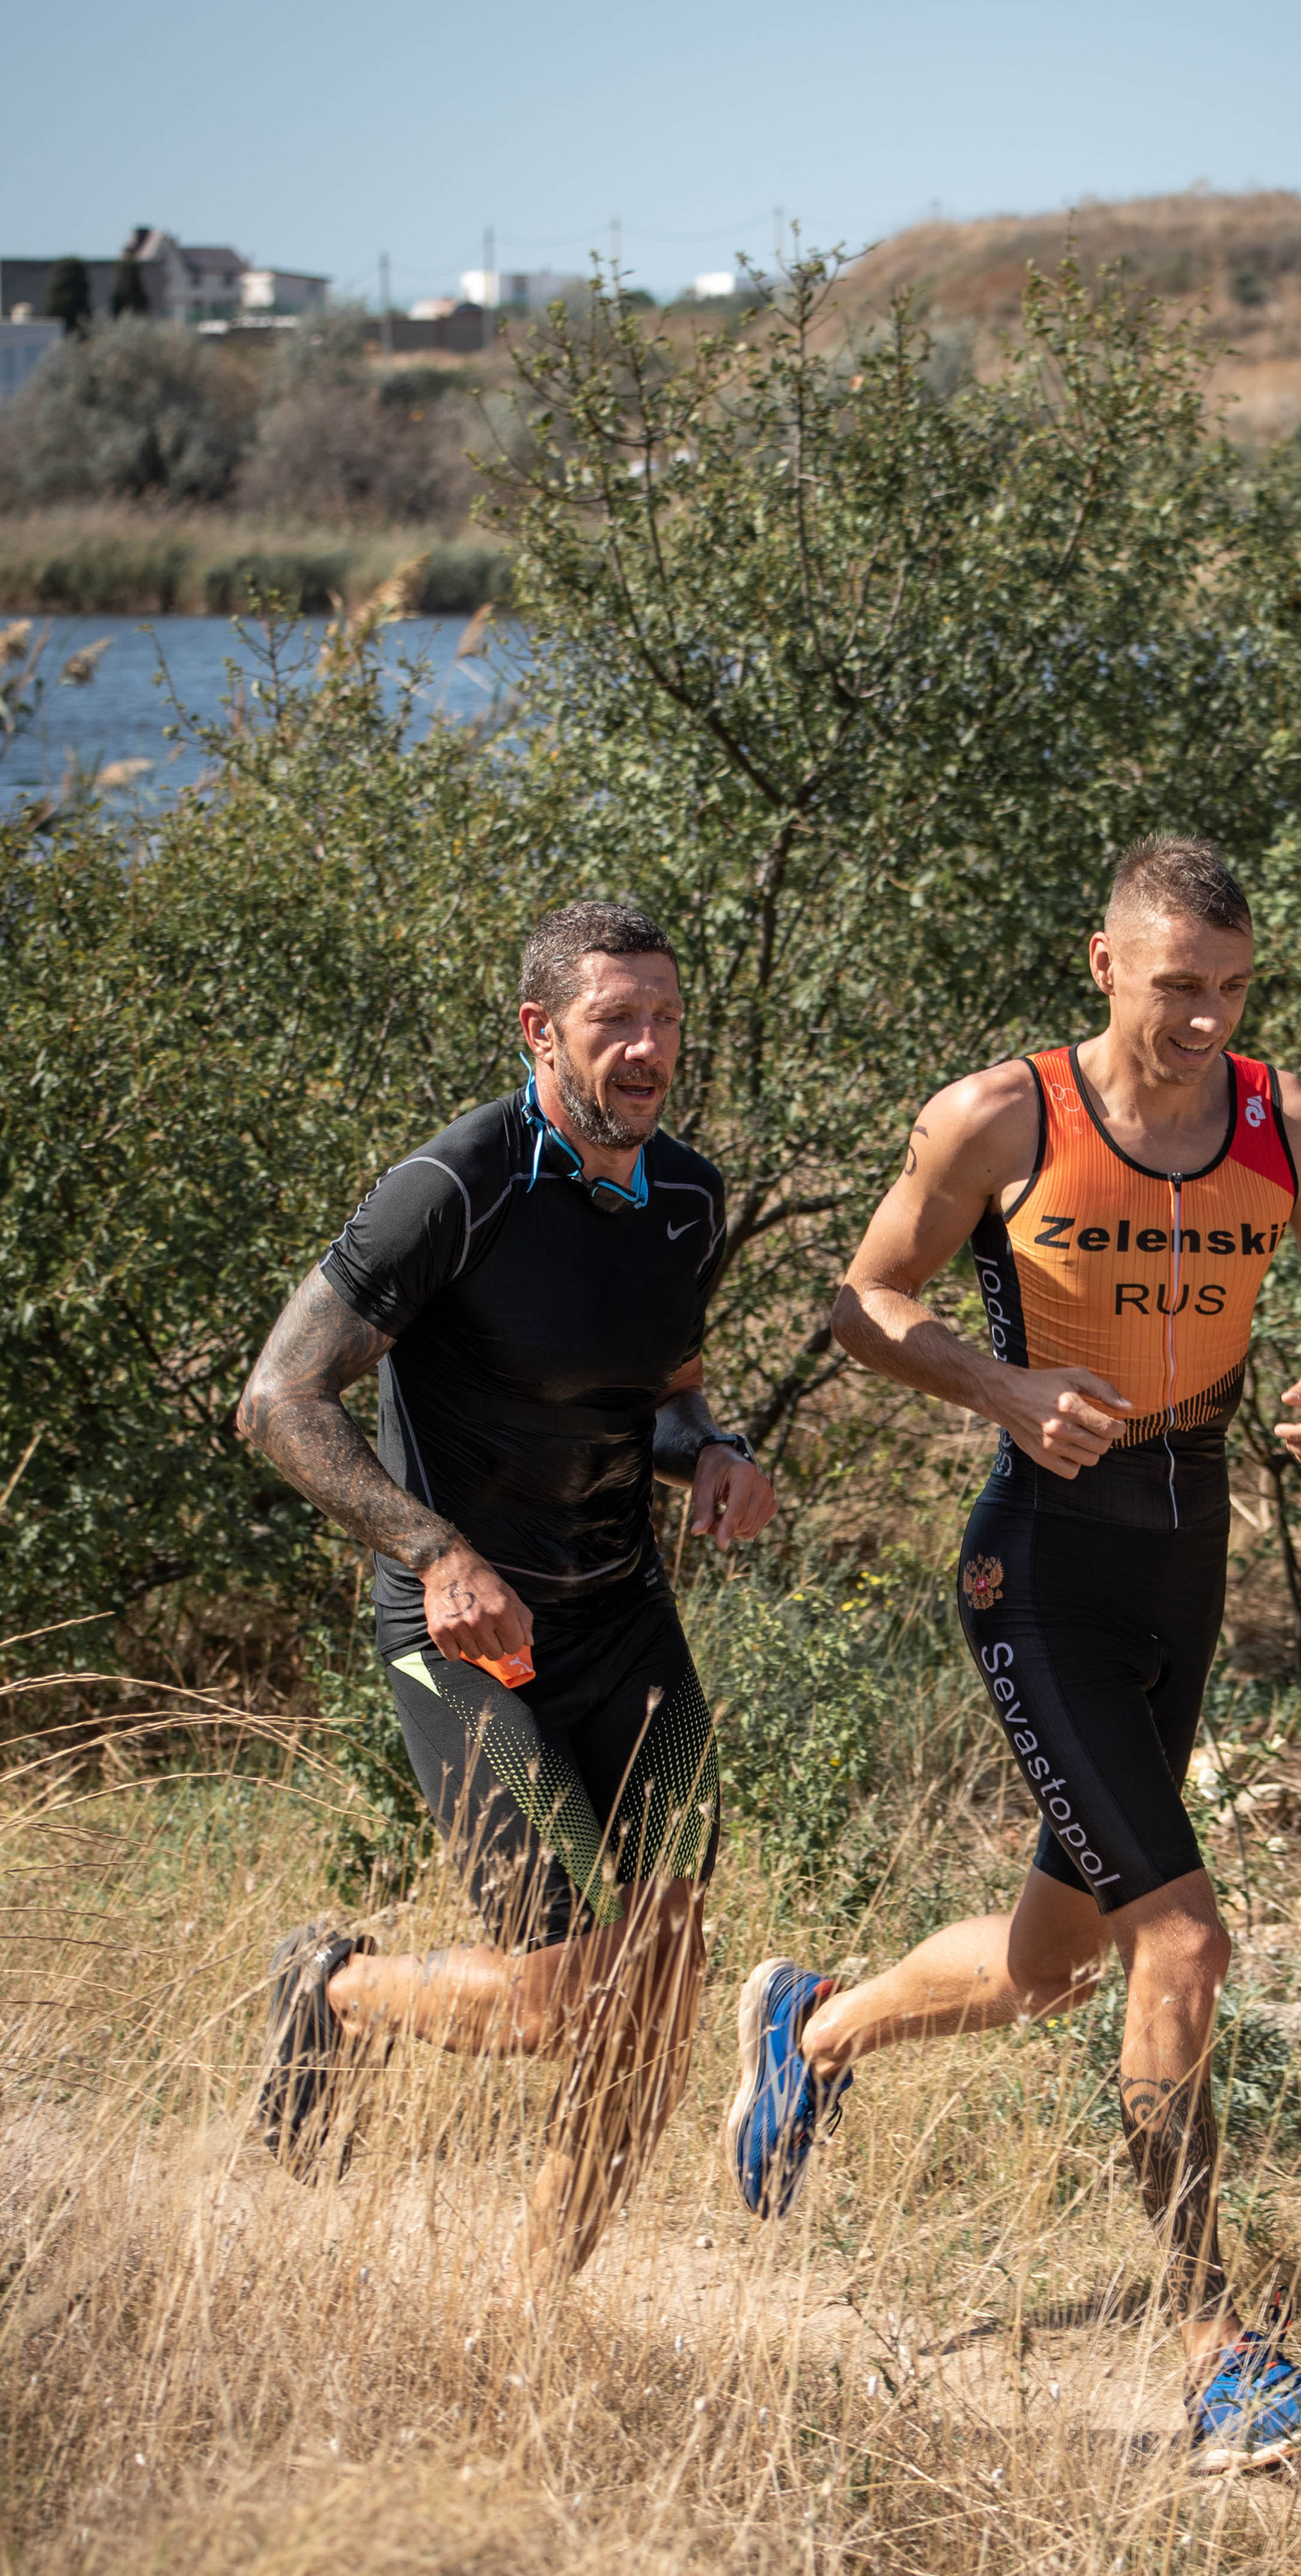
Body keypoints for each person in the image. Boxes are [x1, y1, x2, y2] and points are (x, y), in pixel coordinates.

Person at [727, 837, 1301, 2469]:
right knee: (1181, 1941)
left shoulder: (1288, 1123)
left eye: (1233, 988)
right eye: (1178, 985)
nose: (1207, 1019)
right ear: (1102, 965)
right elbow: (863, 1301)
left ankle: (811, 2028)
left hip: (1186, 1550)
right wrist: (1002, 1387)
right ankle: (1215, 2353)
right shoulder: (1001, 1116)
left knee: (1058, 1963)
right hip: (1037, 1561)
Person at [236, 899, 777, 2289]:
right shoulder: (455, 1187)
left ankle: (532, 2312)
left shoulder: (689, 1196)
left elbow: (660, 1394)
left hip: (625, 1623)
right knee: (562, 1997)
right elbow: (278, 1399)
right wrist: (435, 1551)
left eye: (666, 1017)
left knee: (658, 1988)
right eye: (616, 1020)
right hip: (468, 1637)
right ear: (542, 1030)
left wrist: (714, 1451)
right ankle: (335, 1989)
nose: (649, 1047)